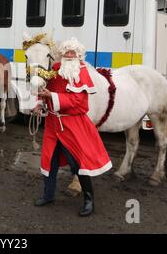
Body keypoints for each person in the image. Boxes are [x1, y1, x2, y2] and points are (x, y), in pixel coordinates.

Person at [31, 38, 112, 217]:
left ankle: (89, 200)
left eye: (72, 52)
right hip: (53, 125)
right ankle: (48, 195)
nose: (69, 55)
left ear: (79, 55)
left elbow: (79, 102)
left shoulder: (82, 72)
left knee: (78, 165)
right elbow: (45, 89)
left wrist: (52, 96)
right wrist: (40, 102)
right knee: (49, 162)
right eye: (66, 52)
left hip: (72, 126)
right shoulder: (55, 69)